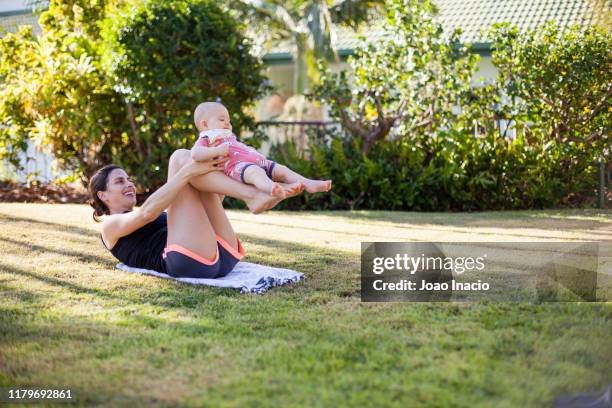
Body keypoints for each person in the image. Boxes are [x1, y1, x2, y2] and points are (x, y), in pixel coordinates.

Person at [89, 150, 287, 279]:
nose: (129, 184)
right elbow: (147, 214)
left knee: (191, 164)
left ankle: (256, 191)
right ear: (102, 195)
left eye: (129, 179)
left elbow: (205, 210)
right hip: (187, 263)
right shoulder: (109, 226)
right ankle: (251, 195)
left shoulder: (170, 219)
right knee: (179, 158)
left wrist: (216, 170)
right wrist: (187, 172)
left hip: (225, 256)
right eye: (119, 181)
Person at [192, 101, 332, 198]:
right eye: (222, 119)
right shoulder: (207, 137)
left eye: (229, 120)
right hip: (238, 166)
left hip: (258, 160)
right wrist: (216, 151)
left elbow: (236, 147)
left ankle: (308, 183)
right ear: (204, 124)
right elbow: (195, 154)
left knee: (282, 170)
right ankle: (272, 188)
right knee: (256, 173)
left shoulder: (227, 135)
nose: (228, 123)